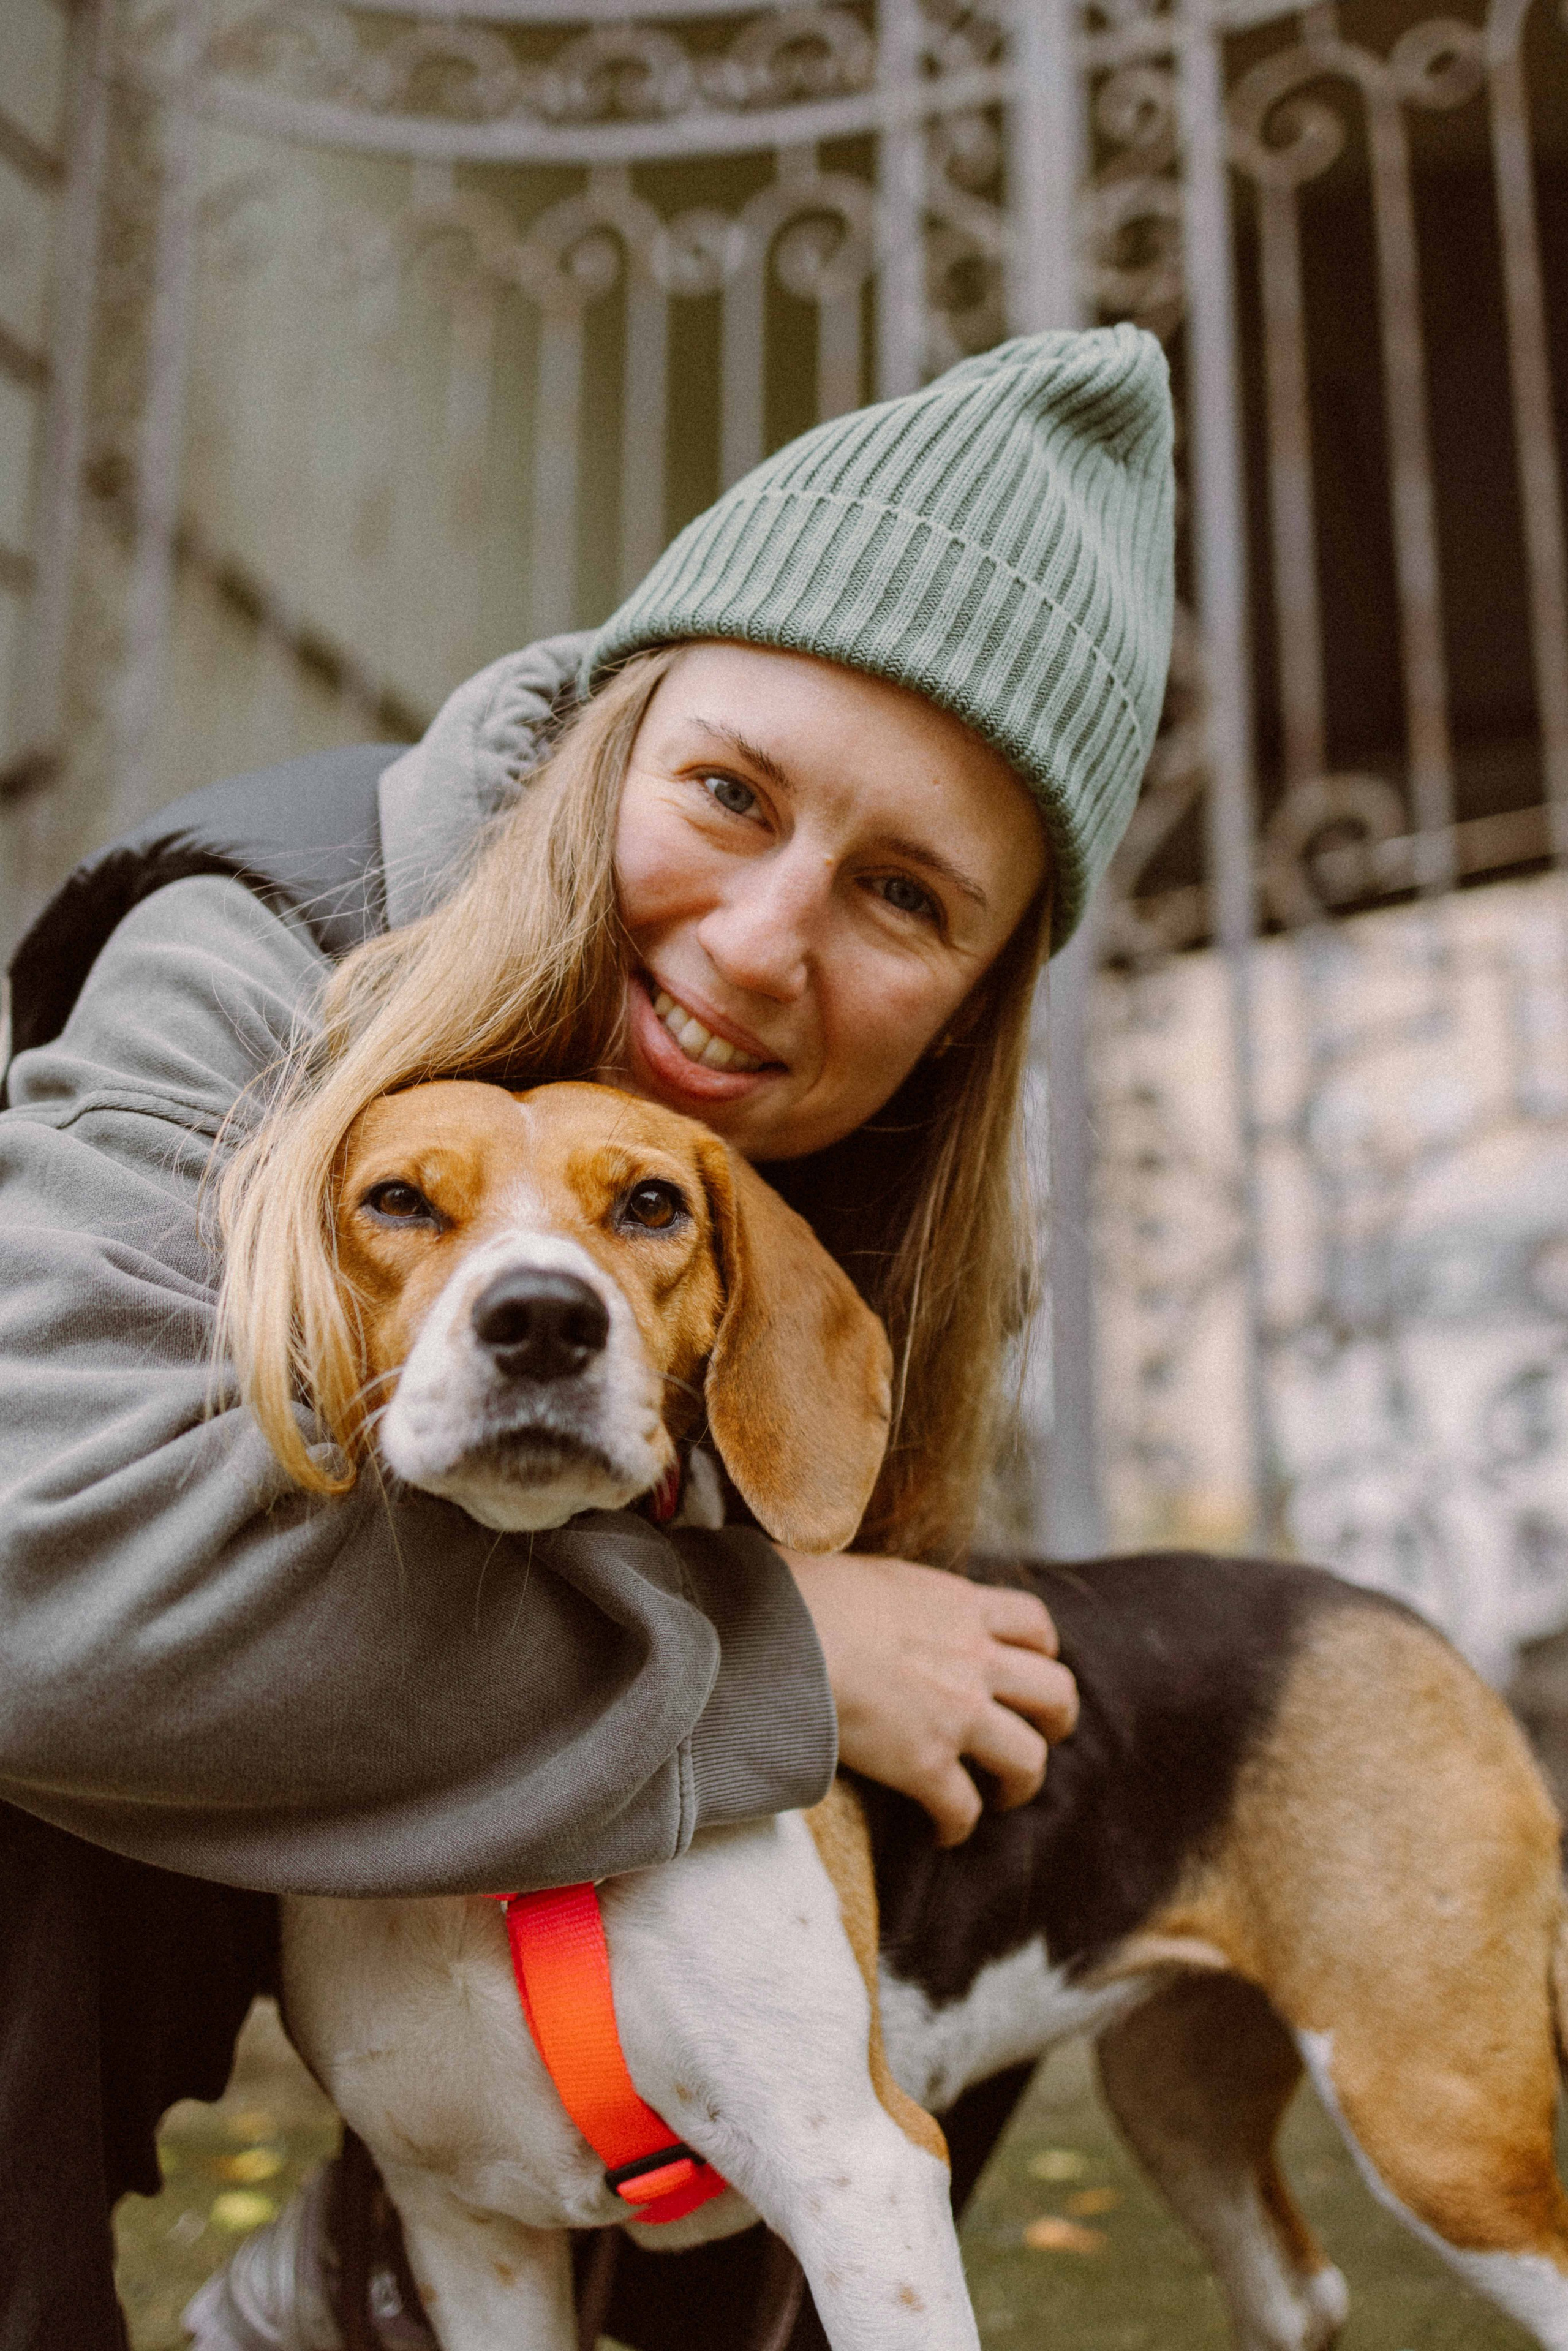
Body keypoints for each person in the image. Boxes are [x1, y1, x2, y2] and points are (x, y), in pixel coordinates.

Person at [0, 323, 1173, 2349]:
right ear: (607, 740)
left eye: (905, 897)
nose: (759, 944)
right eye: (728, 792)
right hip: (94, 1837)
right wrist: (772, 1659)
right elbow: (31, 1584)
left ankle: (447, 2269)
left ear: (976, 1004)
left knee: (969, 1692)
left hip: (516, 1953)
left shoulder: (872, 1220)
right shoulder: (250, 951)